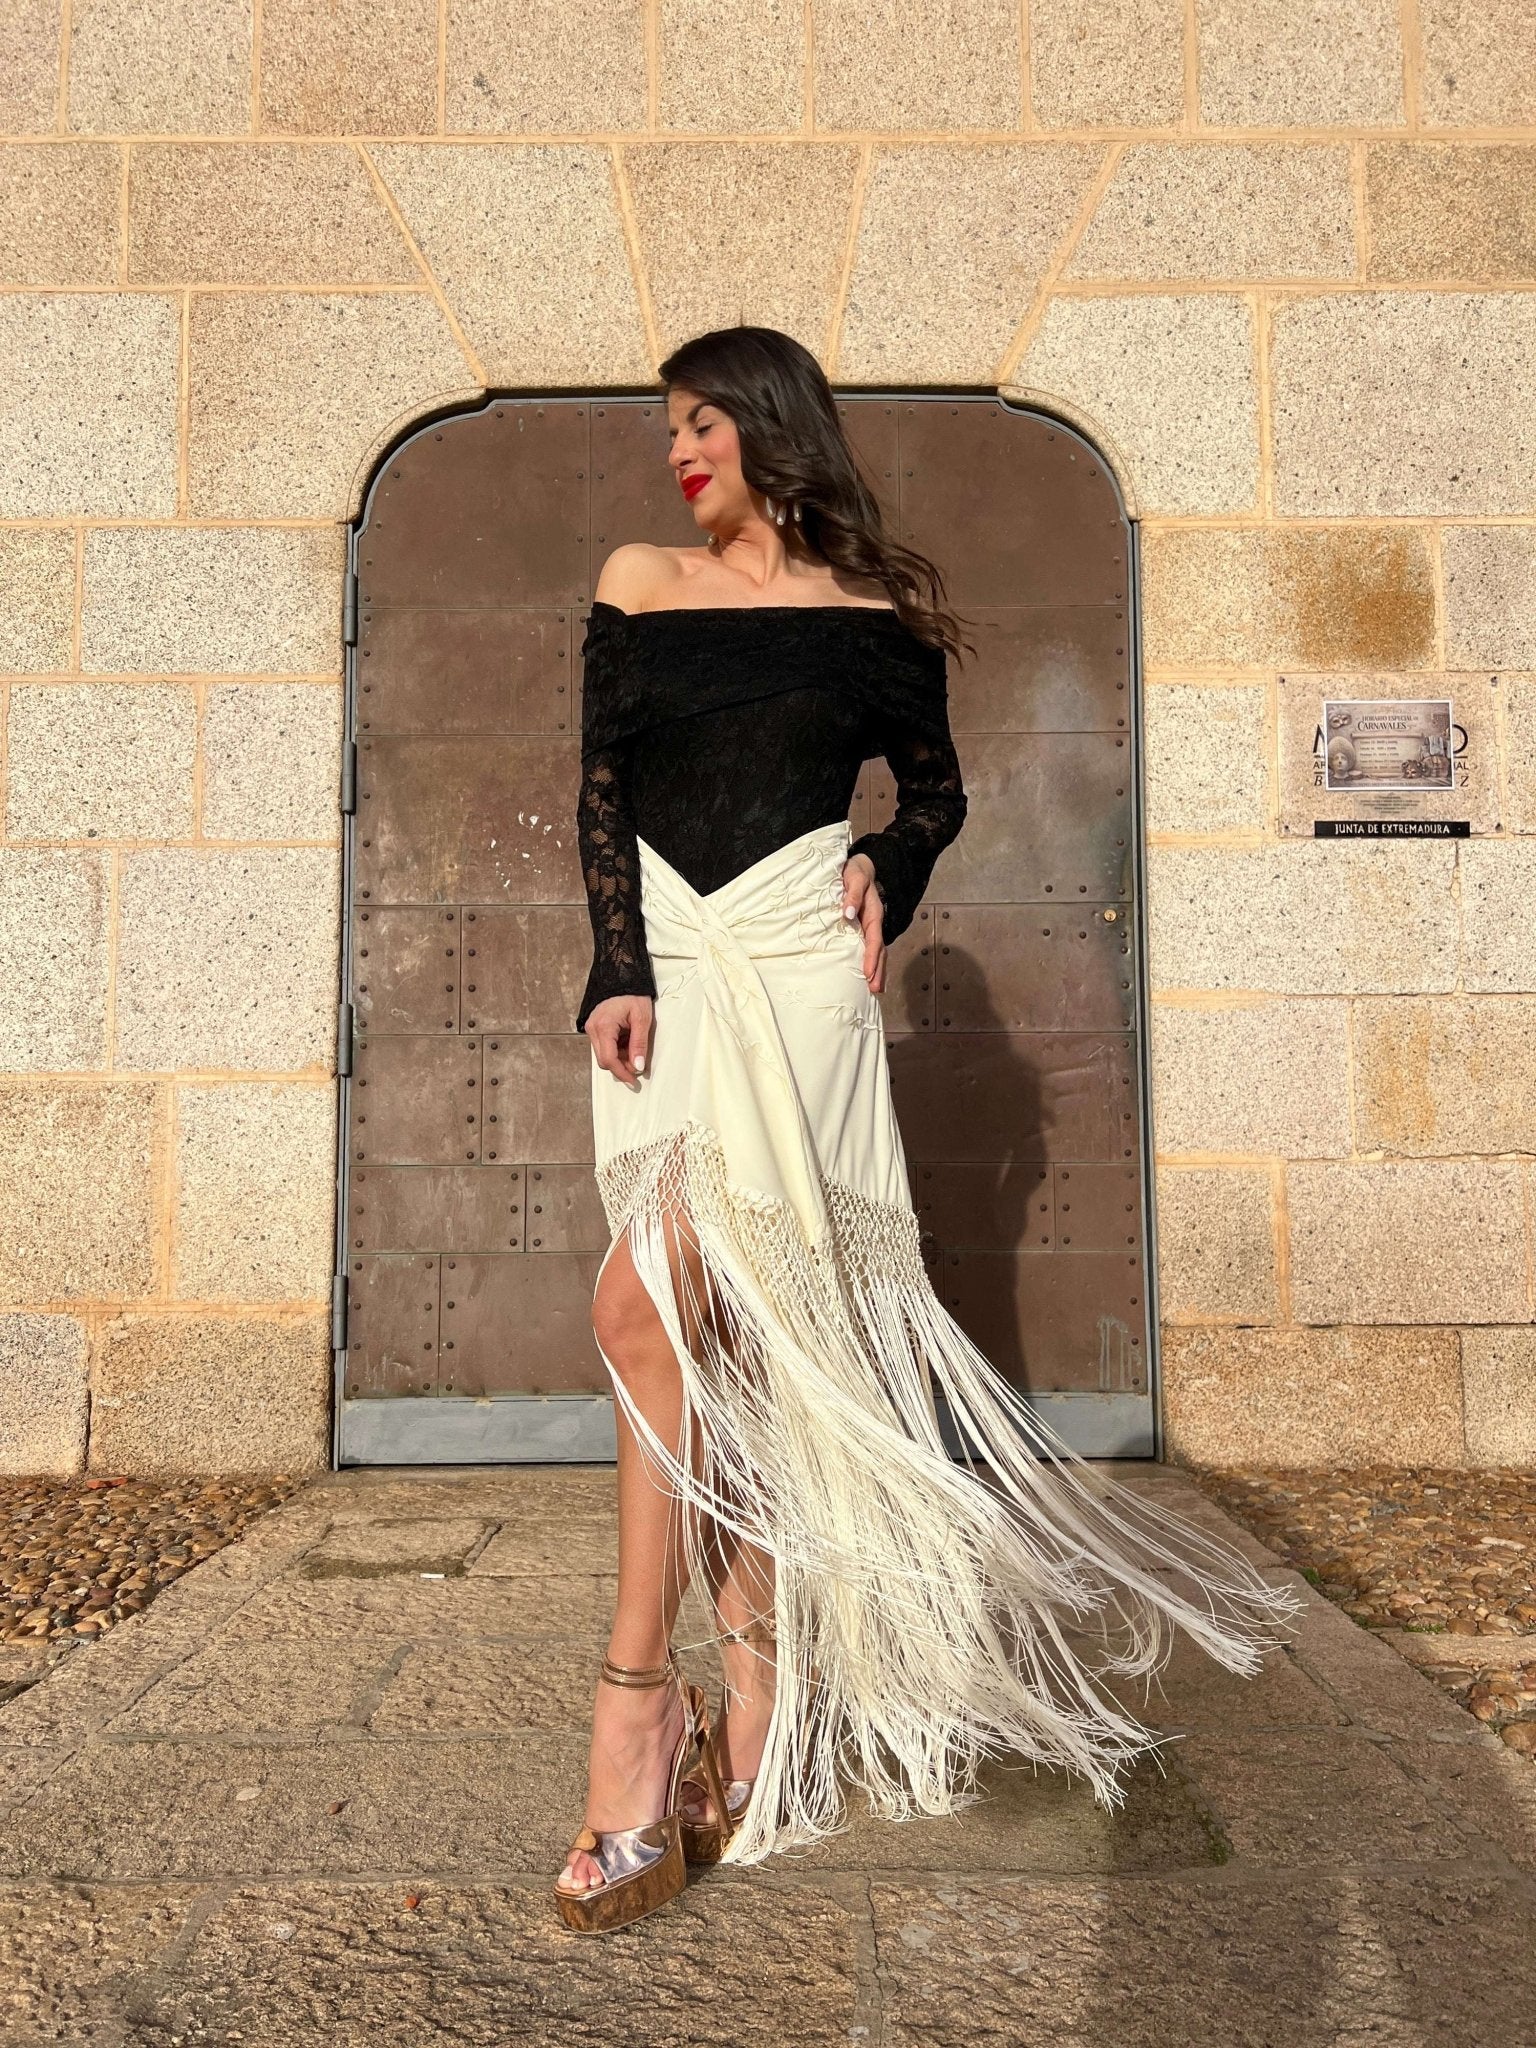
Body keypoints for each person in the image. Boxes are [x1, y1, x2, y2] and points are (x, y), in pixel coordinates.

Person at [553, 326, 1303, 1935]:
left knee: (730, 1325)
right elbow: (600, 784)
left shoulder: (876, 617)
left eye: (704, 423)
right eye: (670, 428)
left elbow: (935, 793)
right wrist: (618, 960)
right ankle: (722, 1693)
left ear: (773, 431)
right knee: (664, 1315)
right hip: (673, 967)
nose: (679, 453)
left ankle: (671, 1704)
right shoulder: (638, 580)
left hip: (803, 974)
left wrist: (885, 871)